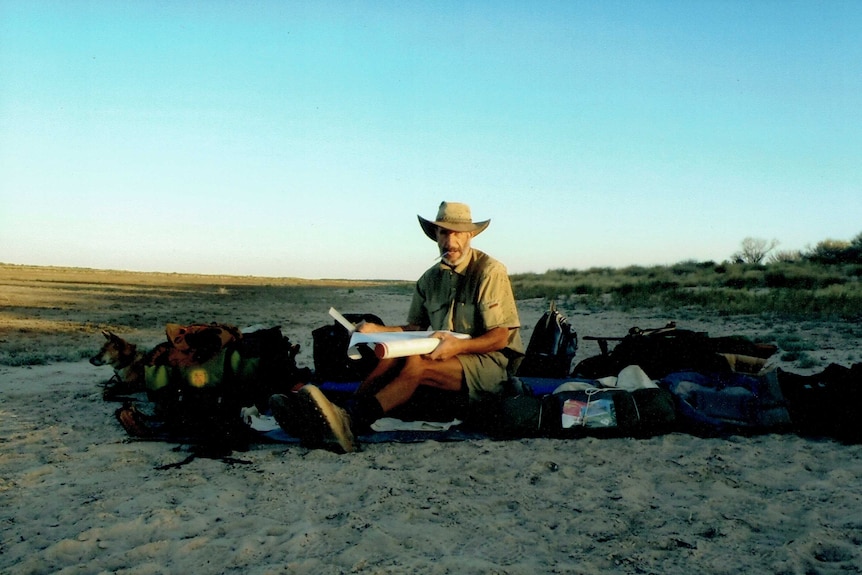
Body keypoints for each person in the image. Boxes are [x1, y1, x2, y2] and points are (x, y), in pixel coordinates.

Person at [270, 201, 524, 452]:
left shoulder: (489, 271)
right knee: (393, 358)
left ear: (470, 235)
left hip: (488, 364)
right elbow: (415, 326)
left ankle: (351, 421)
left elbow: (500, 337)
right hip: (445, 355)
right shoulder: (429, 279)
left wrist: (459, 345)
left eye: (457, 233)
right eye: (444, 232)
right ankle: (338, 414)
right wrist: (375, 330)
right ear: (435, 235)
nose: (450, 241)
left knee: (417, 363)